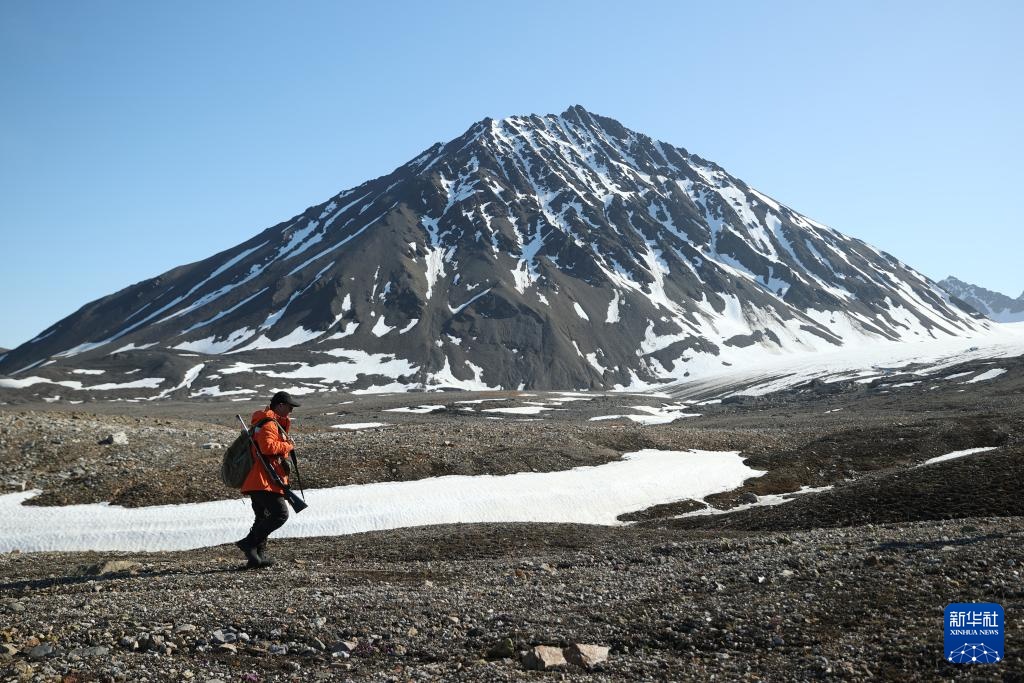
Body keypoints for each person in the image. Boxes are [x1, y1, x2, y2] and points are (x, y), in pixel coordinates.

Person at [235, 391, 300, 569]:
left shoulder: (267, 423)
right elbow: (267, 447)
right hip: (263, 481)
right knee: (280, 514)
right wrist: (288, 445)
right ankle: (249, 543)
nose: (291, 411)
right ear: (279, 405)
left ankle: (257, 557)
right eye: (289, 407)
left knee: (262, 517)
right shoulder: (270, 424)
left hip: (258, 481)